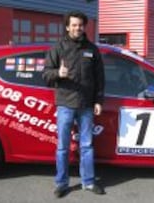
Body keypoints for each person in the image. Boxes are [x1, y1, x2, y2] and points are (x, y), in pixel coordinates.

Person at [42, 11, 105, 198]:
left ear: (84, 26)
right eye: (74, 25)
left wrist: (98, 101)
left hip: (86, 104)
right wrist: (57, 74)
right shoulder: (58, 48)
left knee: (86, 146)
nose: (78, 28)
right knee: (62, 147)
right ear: (68, 27)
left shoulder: (92, 49)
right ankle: (61, 183)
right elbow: (45, 74)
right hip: (65, 104)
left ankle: (88, 182)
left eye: (80, 25)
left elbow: (100, 79)